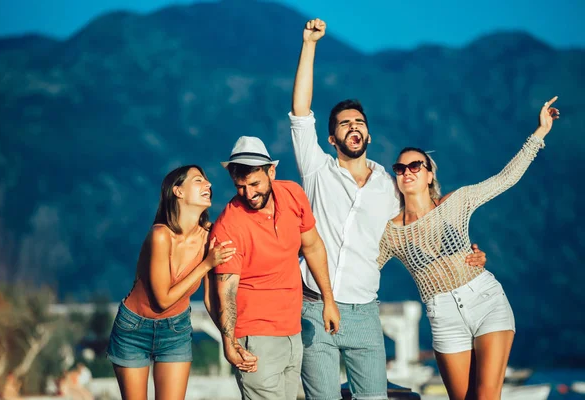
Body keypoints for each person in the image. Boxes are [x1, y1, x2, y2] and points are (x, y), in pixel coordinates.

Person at [289, 18, 487, 400]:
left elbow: (425, 219)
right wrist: (309, 44)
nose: (353, 127)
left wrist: (467, 252)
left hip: (364, 312)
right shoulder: (315, 169)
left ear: (369, 134)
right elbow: (300, 110)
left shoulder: (390, 185)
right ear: (332, 138)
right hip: (312, 304)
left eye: (359, 122)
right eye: (345, 124)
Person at [377, 97, 560, 399]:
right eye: (400, 168)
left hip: (485, 300)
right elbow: (363, 268)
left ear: (429, 174)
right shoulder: (392, 233)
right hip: (443, 317)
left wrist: (539, 132)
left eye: (415, 165)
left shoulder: (456, 203)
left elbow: (504, 179)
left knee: (488, 395)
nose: (407, 171)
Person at [210, 136, 340, 400]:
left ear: (271, 171)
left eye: (254, 184)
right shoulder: (229, 225)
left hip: (293, 331)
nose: (248, 194)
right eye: (240, 187)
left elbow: (313, 246)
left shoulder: (292, 193)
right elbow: (226, 291)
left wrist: (329, 300)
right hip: (256, 339)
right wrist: (229, 343)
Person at [106, 165, 241, 400]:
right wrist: (207, 264)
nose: (208, 185)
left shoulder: (210, 238)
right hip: (133, 329)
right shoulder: (160, 235)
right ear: (177, 191)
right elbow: (162, 300)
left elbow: (210, 299)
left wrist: (229, 340)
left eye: (208, 182)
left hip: (176, 330)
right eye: (199, 180)